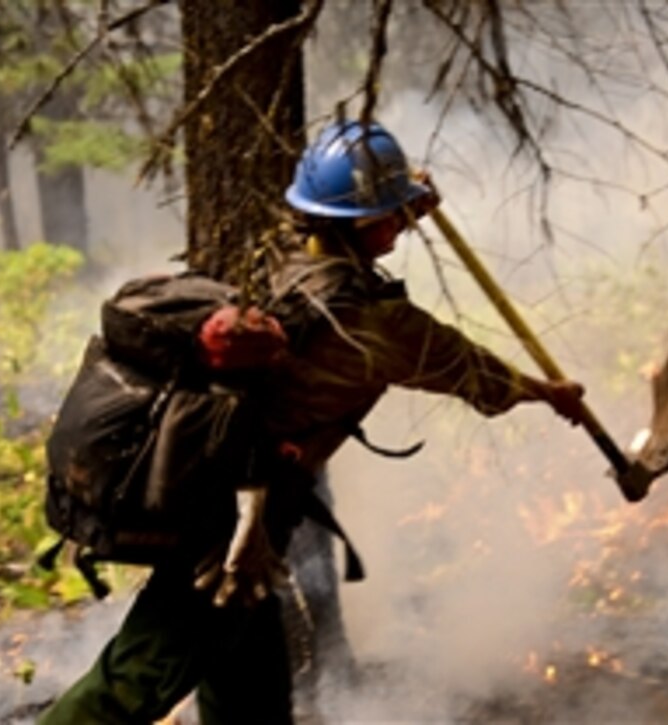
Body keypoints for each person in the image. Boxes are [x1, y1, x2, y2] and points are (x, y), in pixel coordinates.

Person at [37, 118, 585, 724]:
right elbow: (473, 371)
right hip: (227, 528)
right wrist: (551, 393)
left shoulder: (284, 261)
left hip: (229, 502)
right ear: (365, 223)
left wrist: (404, 207)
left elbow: (359, 235)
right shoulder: (379, 325)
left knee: (252, 689)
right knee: (137, 680)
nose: (399, 229)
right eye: (391, 216)